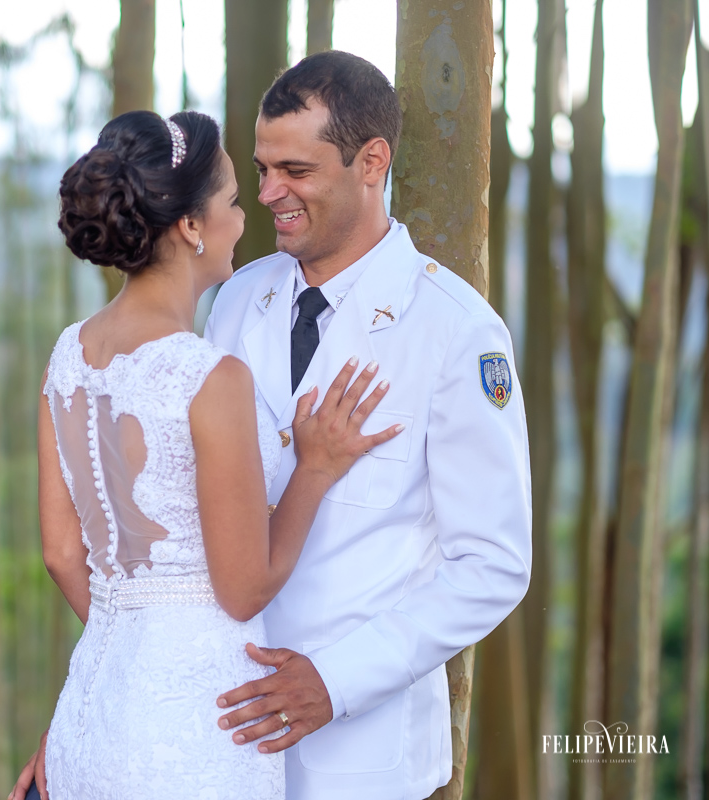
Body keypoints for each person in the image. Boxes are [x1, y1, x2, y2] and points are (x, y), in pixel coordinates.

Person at [13, 108, 403, 800]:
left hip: (91, 716)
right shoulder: (209, 377)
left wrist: (136, 639)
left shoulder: (68, 356)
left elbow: (62, 554)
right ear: (192, 225)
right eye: (232, 200)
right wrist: (314, 469)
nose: (246, 216)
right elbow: (245, 588)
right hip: (196, 727)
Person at [204, 51, 531, 799]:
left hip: (364, 759)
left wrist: (337, 680)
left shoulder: (457, 331)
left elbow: (493, 564)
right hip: (221, 740)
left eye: (296, 170)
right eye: (261, 170)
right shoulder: (234, 299)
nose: (268, 194)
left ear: (372, 162)